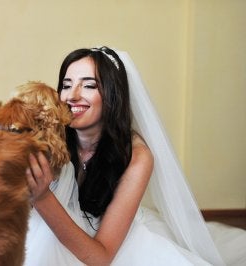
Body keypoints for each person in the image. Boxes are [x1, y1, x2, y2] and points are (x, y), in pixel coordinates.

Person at [24, 47, 246, 266]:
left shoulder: (137, 156)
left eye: (89, 85)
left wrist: (42, 197)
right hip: (48, 234)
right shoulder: (50, 135)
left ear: (112, 94)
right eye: (66, 85)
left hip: (107, 251)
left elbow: (101, 258)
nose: (71, 96)